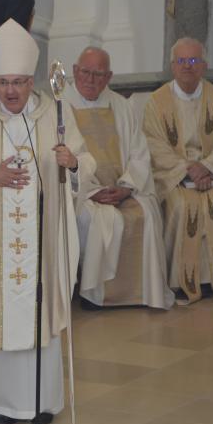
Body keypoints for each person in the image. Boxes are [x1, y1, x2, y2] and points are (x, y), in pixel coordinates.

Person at [0, 19, 95, 424]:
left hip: (42, 240)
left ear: (32, 81)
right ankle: (7, 405)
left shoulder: (55, 116)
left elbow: (85, 164)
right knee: (2, 319)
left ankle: (40, 402)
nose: (10, 90)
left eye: (19, 82)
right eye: (4, 81)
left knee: (39, 318)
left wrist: (72, 163)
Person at [142, 37, 213, 304]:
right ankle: (180, 279)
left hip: (212, 172)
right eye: (182, 61)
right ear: (172, 66)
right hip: (175, 176)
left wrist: (208, 167)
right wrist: (187, 170)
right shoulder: (157, 102)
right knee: (181, 205)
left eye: (193, 61)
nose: (187, 67)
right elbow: (153, 144)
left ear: (204, 66)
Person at [64, 47, 173, 310]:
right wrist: (92, 192)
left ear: (109, 76)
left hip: (122, 189)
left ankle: (142, 293)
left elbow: (139, 153)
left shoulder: (122, 106)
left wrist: (125, 187)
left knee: (146, 212)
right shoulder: (59, 106)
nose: (90, 80)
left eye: (98, 74)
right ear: (75, 71)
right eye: (86, 72)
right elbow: (60, 158)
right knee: (98, 218)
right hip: (81, 193)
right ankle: (95, 294)